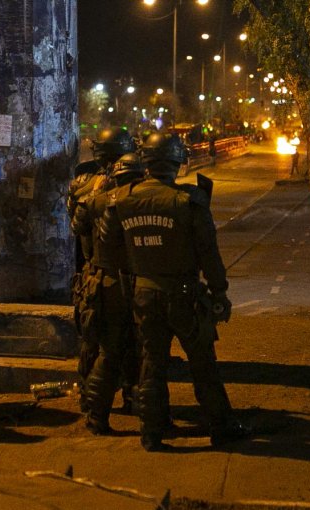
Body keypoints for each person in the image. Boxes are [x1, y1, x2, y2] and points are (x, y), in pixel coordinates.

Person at [101, 133, 250, 451]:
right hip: (184, 295)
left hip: (144, 292)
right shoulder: (188, 201)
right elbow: (208, 252)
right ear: (177, 162)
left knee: (151, 365)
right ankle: (221, 427)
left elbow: (107, 251)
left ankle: (151, 433)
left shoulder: (122, 199)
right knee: (202, 365)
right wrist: (220, 292)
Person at [71, 152, 145, 434]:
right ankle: (137, 405)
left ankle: (95, 412)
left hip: (102, 282)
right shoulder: (139, 199)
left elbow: (76, 225)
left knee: (107, 351)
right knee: (135, 350)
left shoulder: (95, 197)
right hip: (130, 283)